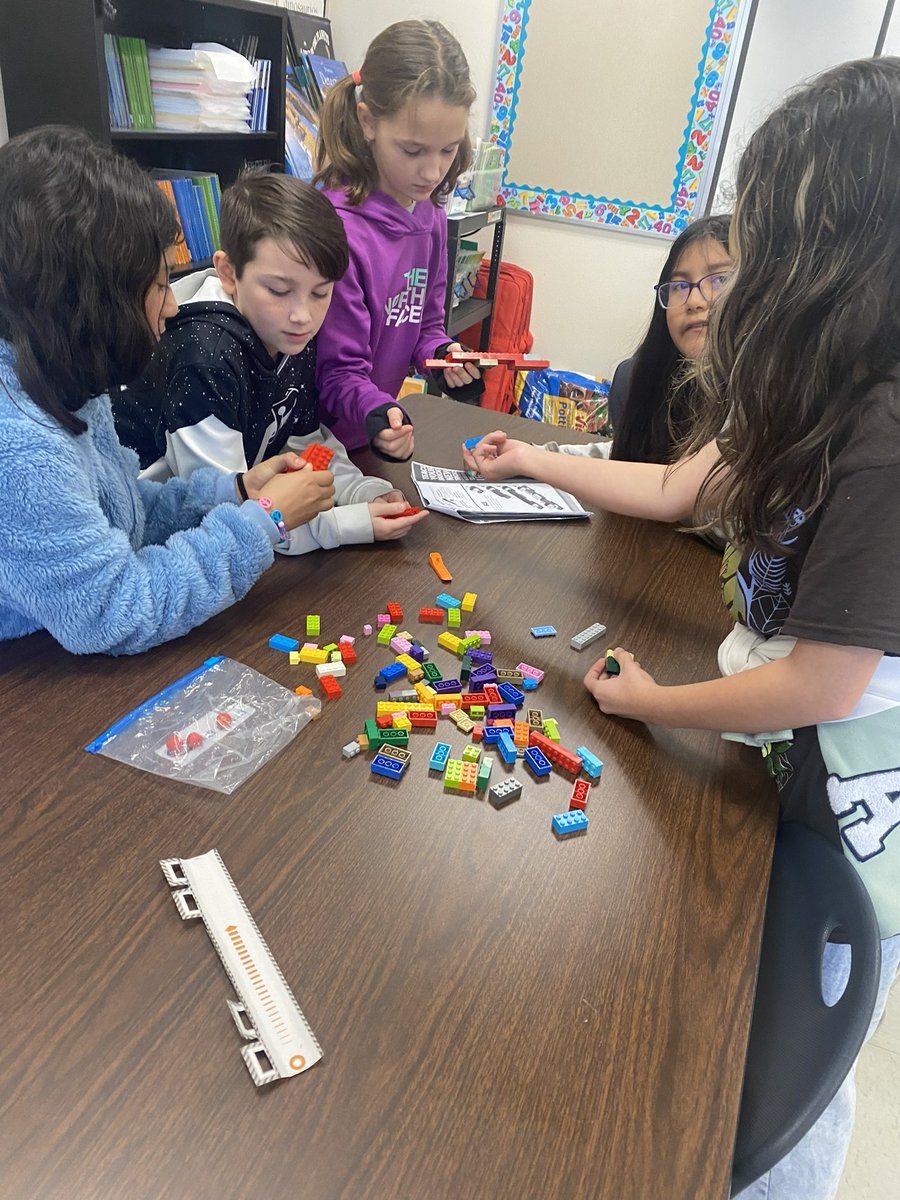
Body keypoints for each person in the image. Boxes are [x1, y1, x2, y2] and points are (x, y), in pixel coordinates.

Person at [465, 57, 900, 1199]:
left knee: (795, 1058)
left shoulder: (885, 433)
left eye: (762, 246)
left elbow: (823, 686)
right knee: (728, 1004)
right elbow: (666, 490)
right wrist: (530, 457)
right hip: (779, 762)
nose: (735, 285)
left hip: (853, 803)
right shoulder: (806, 388)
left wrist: (654, 704)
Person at [0, 126, 335, 656]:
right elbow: (120, 611)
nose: (174, 307)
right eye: (158, 287)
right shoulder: (20, 448)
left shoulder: (68, 378)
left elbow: (121, 514)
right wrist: (264, 520)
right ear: (89, 300)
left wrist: (237, 492)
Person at [114, 172, 426, 553]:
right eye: (279, 290)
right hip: (152, 543)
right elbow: (229, 517)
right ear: (228, 273)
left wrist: (360, 492)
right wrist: (349, 524)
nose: (303, 315)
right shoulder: (205, 359)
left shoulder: (287, 332)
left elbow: (302, 442)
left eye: (321, 293)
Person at [313, 19, 485, 461]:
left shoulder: (429, 212)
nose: (432, 173)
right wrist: (377, 411)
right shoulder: (337, 229)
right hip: (313, 440)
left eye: (448, 150)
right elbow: (337, 371)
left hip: (369, 434)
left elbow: (425, 325)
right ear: (367, 121)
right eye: (412, 151)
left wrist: (446, 357)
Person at [537, 215, 733, 464]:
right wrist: (534, 454)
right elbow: (628, 462)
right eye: (679, 286)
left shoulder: (762, 400)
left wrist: (536, 462)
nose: (694, 301)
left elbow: (677, 488)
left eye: (720, 279)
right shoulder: (641, 383)